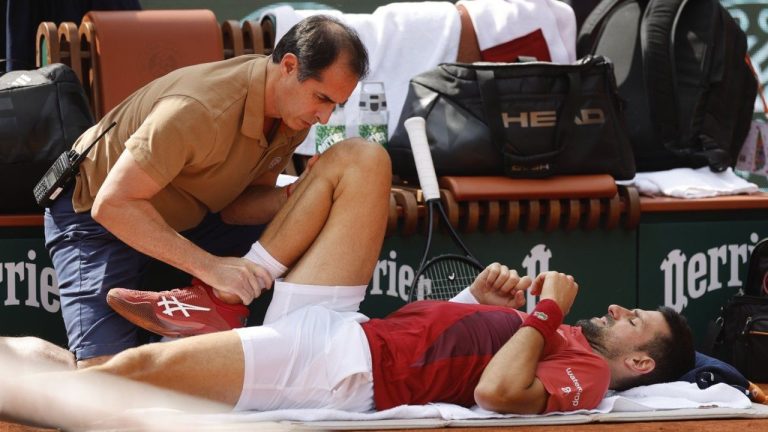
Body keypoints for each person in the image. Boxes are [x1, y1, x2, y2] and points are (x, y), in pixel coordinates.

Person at [6, 137, 695, 429]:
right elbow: (446, 343)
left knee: (118, 372)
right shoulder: (555, 337)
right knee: (360, 159)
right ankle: (224, 300)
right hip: (347, 325)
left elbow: (495, 392)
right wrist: (476, 304)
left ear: (638, 362)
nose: (617, 307)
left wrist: (543, 314)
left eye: (636, 319)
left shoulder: (589, 374)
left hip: (338, 368)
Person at [42, 14, 370, 367]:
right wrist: (212, 268)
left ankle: (212, 319)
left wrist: (301, 193)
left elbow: (237, 209)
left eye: (335, 105)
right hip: (98, 219)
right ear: (289, 66)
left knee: (305, 223)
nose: (324, 117)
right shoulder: (198, 108)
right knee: (106, 379)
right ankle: (21, 365)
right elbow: (112, 205)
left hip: (189, 219)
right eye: (321, 98)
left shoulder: (292, 116)